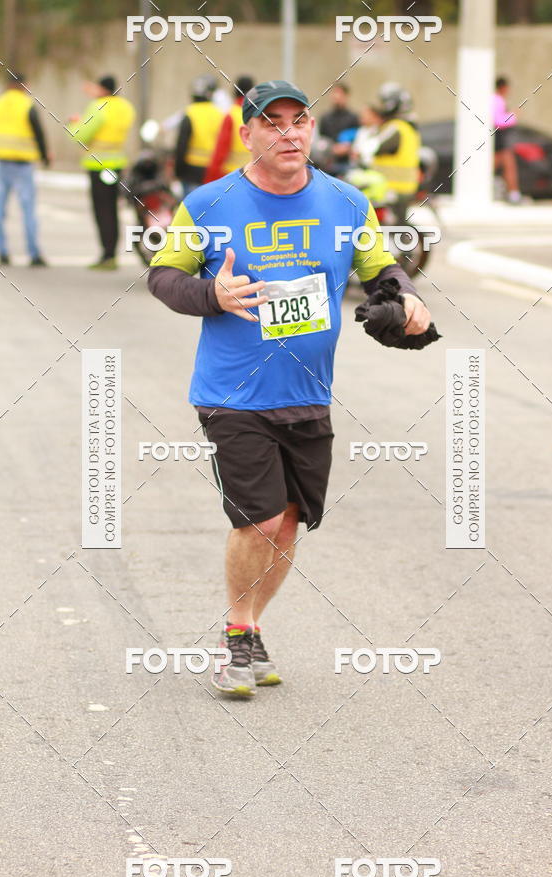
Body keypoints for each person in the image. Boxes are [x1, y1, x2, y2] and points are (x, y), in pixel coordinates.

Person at [147, 80, 431, 697]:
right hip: (232, 392)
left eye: (298, 121)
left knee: (290, 523)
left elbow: (381, 269)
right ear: (246, 134)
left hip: (308, 392)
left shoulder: (348, 203)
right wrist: (209, 294)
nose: (287, 132)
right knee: (260, 519)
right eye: (270, 123)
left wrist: (407, 302)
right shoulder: (210, 202)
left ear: (311, 130)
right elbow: (163, 276)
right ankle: (233, 641)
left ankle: (249, 628)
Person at [67, 76, 136, 270]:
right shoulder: (126, 107)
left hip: (98, 166)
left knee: (102, 210)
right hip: (117, 164)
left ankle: (107, 255)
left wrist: (73, 123)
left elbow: (79, 134)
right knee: (113, 209)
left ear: (102, 89)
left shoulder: (98, 107)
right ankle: (112, 252)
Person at [0, 71, 50, 266]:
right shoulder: (27, 105)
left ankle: (2, 251)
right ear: (22, 85)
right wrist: (45, 156)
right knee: (28, 209)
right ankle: (33, 253)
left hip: (2, 162)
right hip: (23, 165)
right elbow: (38, 133)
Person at [367, 82, 421, 223]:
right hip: (405, 186)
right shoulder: (408, 128)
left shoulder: (395, 128)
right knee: (399, 224)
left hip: (391, 187)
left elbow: (372, 148)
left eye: (383, 102)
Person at [174, 75, 224, 195]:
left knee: (191, 211)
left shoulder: (189, 113)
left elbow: (181, 145)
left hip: (191, 171)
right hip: (211, 170)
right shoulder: (219, 114)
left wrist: (178, 171)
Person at [204, 75, 254, 184]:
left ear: (235, 91)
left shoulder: (231, 115)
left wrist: (210, 179)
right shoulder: (258, 116)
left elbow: (221, 150)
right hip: (254, 175)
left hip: (232, 175)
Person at [319, 82, 360, 176]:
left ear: (346, 96)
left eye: (339, 93)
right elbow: (322, 140)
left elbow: (357, 139)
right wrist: (331, 149)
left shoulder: (353, 117)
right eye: (334, 93)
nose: (336, 96)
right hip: (328, 163)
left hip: (347, 164)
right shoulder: (325, 118)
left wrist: (348, 148)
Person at [493, 76, 522, 204]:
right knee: (508, 165)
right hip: (499, 137)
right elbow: (497, 121)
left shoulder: (497, 100)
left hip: (499, 138)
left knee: (506, 165)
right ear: (503, 87)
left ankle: (513, 194)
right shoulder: (497, 100)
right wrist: (513, 115)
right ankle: (513, 194)